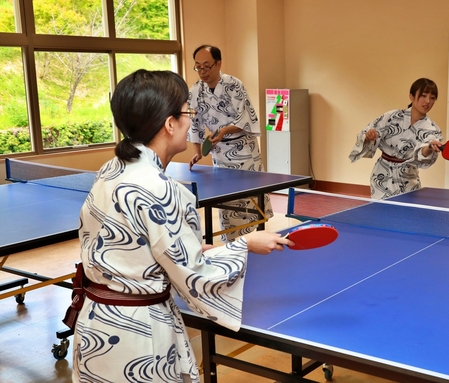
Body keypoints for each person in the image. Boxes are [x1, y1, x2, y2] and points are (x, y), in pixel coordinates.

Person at [64, 69, 292, 383]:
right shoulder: (166, 191)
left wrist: (192, 249)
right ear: (170, 124)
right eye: (188, 112)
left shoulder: (110, 169)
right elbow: (196, 277)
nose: (192, 121)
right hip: (139, 336)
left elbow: (139, 247)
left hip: (96, 328)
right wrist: (244, 245)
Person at [187, 44, 272, 242]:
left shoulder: (234, 85)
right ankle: (231, 243)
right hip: (220, 152)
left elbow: (246, 119)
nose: (202, 71)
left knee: (252, 199)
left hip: (244, 150)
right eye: (198, 67)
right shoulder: (195, 91)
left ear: (219, 64)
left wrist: (223, 130)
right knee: (227, 199)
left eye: (206, 66)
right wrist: (198, 151)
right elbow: (195, 123)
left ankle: (259, 237)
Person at [349, 78, 443, 199]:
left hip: (408, 178)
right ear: (411, 96)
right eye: (423, 96)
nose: (427, 101)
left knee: (407, 215)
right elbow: (367, 133)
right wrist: (369, 137)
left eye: (432, 98)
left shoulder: (432, 129)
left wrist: (430, 147)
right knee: (380, 213)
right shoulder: (392, 116)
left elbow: (423, 151)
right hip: (382, 176)